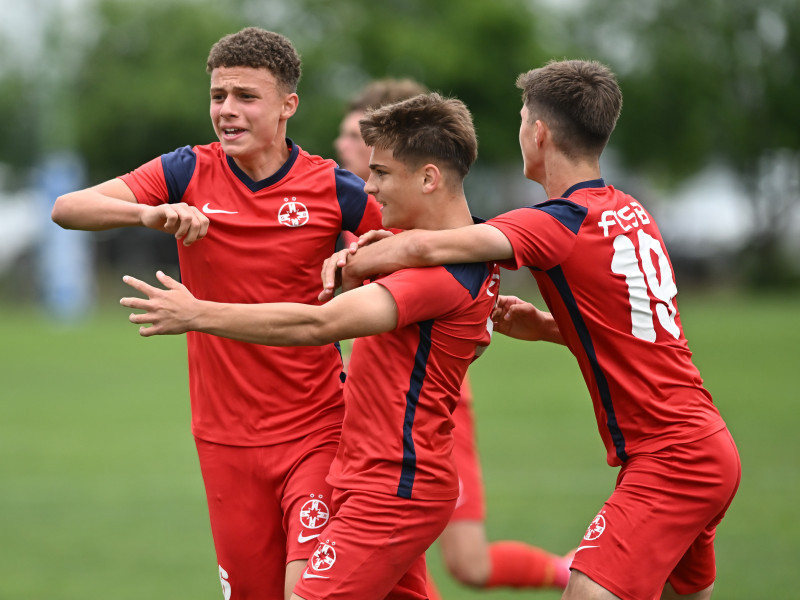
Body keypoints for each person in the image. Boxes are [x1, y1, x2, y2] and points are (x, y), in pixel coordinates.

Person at [324, 59, 741, 600]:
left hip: (671, 457)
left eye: (523, 118)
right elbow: (642, 332)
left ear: (537, 133)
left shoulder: (558, 221)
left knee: (587, 592)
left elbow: (432, 244)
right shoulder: (630, 210)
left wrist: (357, 256)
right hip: (704, 441)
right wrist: (547, 326)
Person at [120, 92, 500, 600]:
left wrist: (198, 314)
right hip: (367, 472)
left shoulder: (440, 274)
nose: (369, 187)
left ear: (428, 178)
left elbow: (317, 325)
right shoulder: (437, 249)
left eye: (381, 174)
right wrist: (364, 253)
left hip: (396, 485)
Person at [50, 27, 384, 600]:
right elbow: (67, 208)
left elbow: (415, 245)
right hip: (223, 440)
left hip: (318, 429)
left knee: (310, 591)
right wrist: (149, 216)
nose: (226, 111)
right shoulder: (186, 170)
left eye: (245, 97)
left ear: (287, 106)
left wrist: (358, 260)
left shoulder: (334, 188)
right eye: (218, 96)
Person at [336, 78, 571, 596]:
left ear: (425, 172)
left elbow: (435, 256)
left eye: (356, 142)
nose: (343, 151)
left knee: (467, 562)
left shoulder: (437, 238)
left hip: (424, 421)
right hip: (379, 432)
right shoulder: (383, 217)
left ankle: (574, 574)